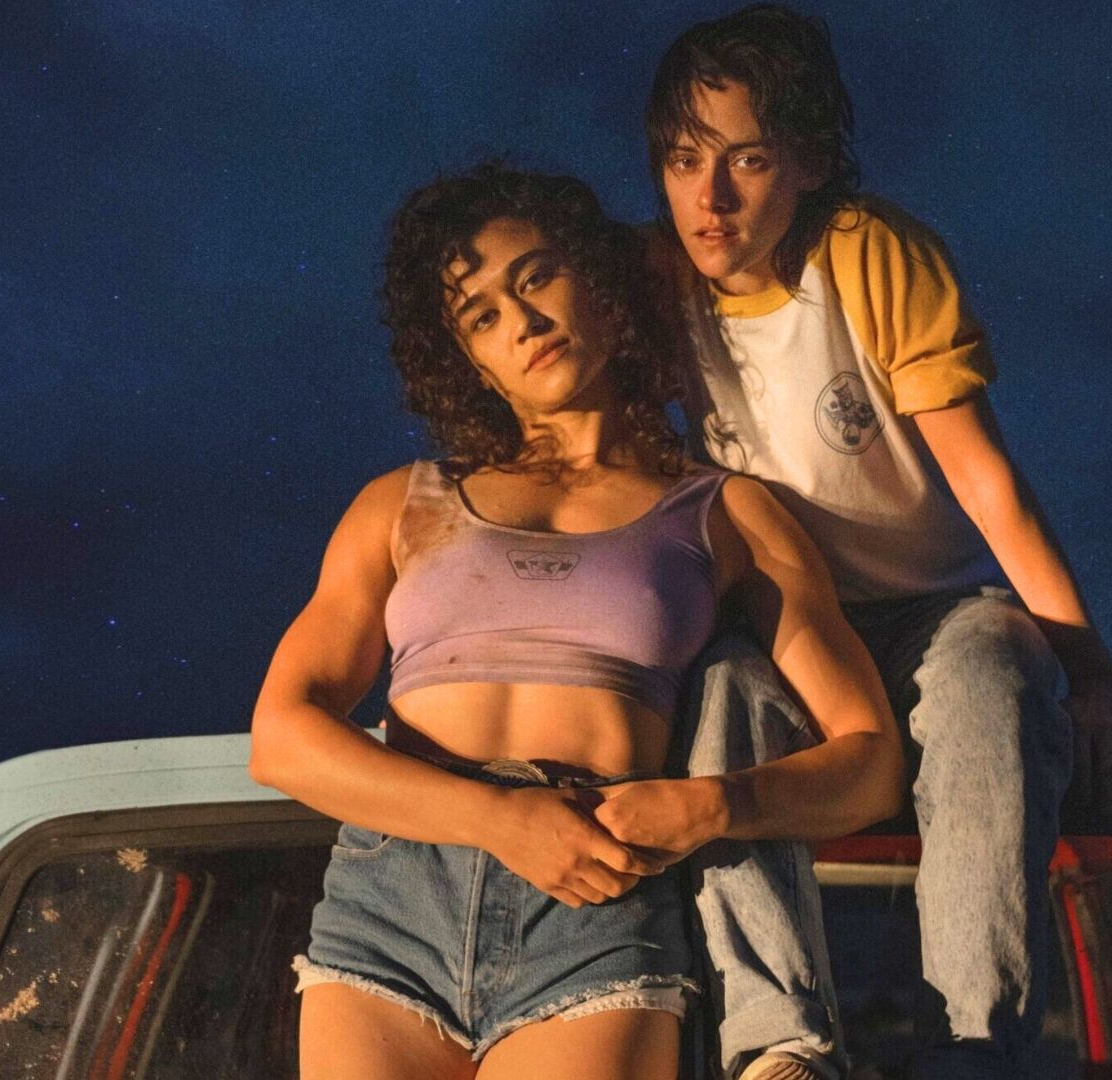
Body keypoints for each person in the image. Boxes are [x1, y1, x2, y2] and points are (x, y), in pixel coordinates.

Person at [247, 165, 906, 1080]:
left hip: (596, 906)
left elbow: (870, 762)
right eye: (482, 316)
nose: (521, 322)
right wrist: (497, 819)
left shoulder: (726, 512)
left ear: (598, 282)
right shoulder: (400, 504)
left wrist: (713, 805)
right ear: (469, 360)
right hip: (390, 904)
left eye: (536, 278)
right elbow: (281, 738)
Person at [618, 7, 1112, 1078]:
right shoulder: (656, 283)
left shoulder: (867, 255)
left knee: (991, 674)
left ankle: (973, 1043)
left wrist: (1088, 669)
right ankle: (778, 1046)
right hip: (789, 617)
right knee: (721, 696)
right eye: (683, 161)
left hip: (933, 607)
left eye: (746, 160)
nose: (710, 199)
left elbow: (986, 483)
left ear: (809, 162)